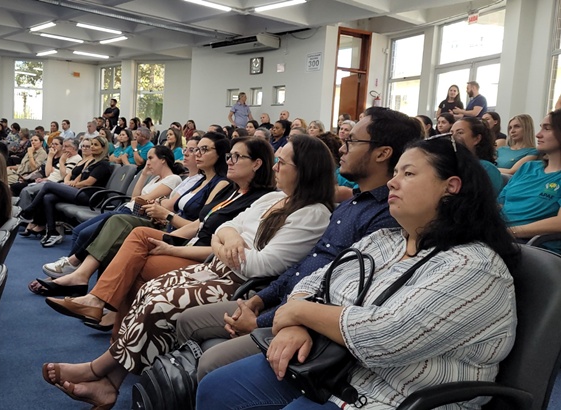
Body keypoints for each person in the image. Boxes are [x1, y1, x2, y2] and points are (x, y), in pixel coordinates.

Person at [198, 136, 519, 409]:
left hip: (392, 396)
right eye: (395, 172)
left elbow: (387, 335)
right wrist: (296, 323)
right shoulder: (386, 240)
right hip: (331, 368)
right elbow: (315, 281)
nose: (392, 181)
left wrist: (298, 312)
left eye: (408, 173)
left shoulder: (473, 266)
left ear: (451, 187)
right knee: (216, 388)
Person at [41, 135, 337, 409]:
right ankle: (108, 381)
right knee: (149, 290)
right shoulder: (274, 198)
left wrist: (224, 243)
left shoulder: (313, 214)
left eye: (282, 162)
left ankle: (98, 371)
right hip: (216, 268)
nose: (275, 167)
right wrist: (229, 240)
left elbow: (260, 265)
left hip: (240, 284)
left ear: (305, 170)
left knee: (159, 304)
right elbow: (224, 227)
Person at [178, 106, 420, 381]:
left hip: (308, 323)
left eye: (351, 140)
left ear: (382, 153)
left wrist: (261, 320)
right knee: (187, 320)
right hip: (283, 302)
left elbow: (341, 289)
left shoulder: (385, 216)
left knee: (211, 363)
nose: (342, 148)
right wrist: (259, 300)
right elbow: (307, 266)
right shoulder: (349, 205)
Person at [39, 138, 276, 328]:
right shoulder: (233, 192)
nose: (230, 161)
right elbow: (200, 224)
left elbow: (220, 242)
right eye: (229, 156)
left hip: (203, 257)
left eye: (237, 157)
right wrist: (170, 235)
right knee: (136, 233)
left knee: (133, 253)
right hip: (188, 239)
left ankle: (102, 308)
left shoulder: (256, 199)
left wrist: (171, 240)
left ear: (257, 164)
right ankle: (95, 298)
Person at [31, 134, 230, 291]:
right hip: (156, 218)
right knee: (84, 226)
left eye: (202, 150)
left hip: (169, 227)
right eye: (193, 149)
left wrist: (165, 214)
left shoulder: (213, 183)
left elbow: (196, 221)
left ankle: (77, 273)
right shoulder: (196, 181)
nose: (194, 154)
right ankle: (77, 277)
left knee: (113, 225)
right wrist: (147, 181)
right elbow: (148, 200)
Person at [19, 135, 114, 247]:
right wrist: (71, 182)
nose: (92, 147)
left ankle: (29, 211)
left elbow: (88, 182)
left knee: (48, 185)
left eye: (95, 145)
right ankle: (52, 232)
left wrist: (74, 184)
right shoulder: (92, 161)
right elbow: (80, 176)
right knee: (48, 197)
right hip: (80, 191)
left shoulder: (103, 164)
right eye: (92, 144)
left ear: (103, 148)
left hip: (89, 196)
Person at [501, 110, 561, 251]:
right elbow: (500, 204)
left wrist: (509, 232)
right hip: (498, 235)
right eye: (541, 128)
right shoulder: (528, 167)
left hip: (529, 246)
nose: (538, 134)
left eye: (547, 128)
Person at [450, 116, 503, 195]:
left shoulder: (487, 169)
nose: (453, 137)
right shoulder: (451, 164)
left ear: (477, 139)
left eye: (460, 133)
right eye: (451, 133)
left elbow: (484, 200)